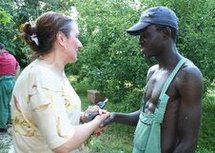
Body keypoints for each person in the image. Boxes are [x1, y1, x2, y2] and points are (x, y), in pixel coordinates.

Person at [101, 6, 203, 153]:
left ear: (165, 33)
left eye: (145, 35)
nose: (140, 41)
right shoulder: (152, 71)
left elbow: (189, 142)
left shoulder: (187, 75)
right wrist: (114, 117)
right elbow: (146, 116)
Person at [10, 11, 110, 153]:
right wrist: (97, 122)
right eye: (76, 36)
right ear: (61, 38)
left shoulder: (53, 73)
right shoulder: (41, 77)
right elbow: (63, 144)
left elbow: (51, 116)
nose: (80, 44)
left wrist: (83, 117)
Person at [0, 43, 20, 133]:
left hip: (3, 82)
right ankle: (9, 122)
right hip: (12, 82)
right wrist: (14, 77)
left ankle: (2, 126)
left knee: (2, 104)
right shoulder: (12, 57)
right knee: (9, 103)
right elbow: (18, 67)